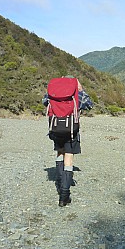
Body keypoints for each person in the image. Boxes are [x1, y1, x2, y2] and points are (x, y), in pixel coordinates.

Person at [43, 75, 83, 207]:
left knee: (60, 153)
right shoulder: (76, 89)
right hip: (71, 128)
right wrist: (80, 91)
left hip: (55, 127)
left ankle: (60, 185)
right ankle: (64, 196)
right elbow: (88, 104)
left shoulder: (53, 89)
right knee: (69, 157)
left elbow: (45, 102)